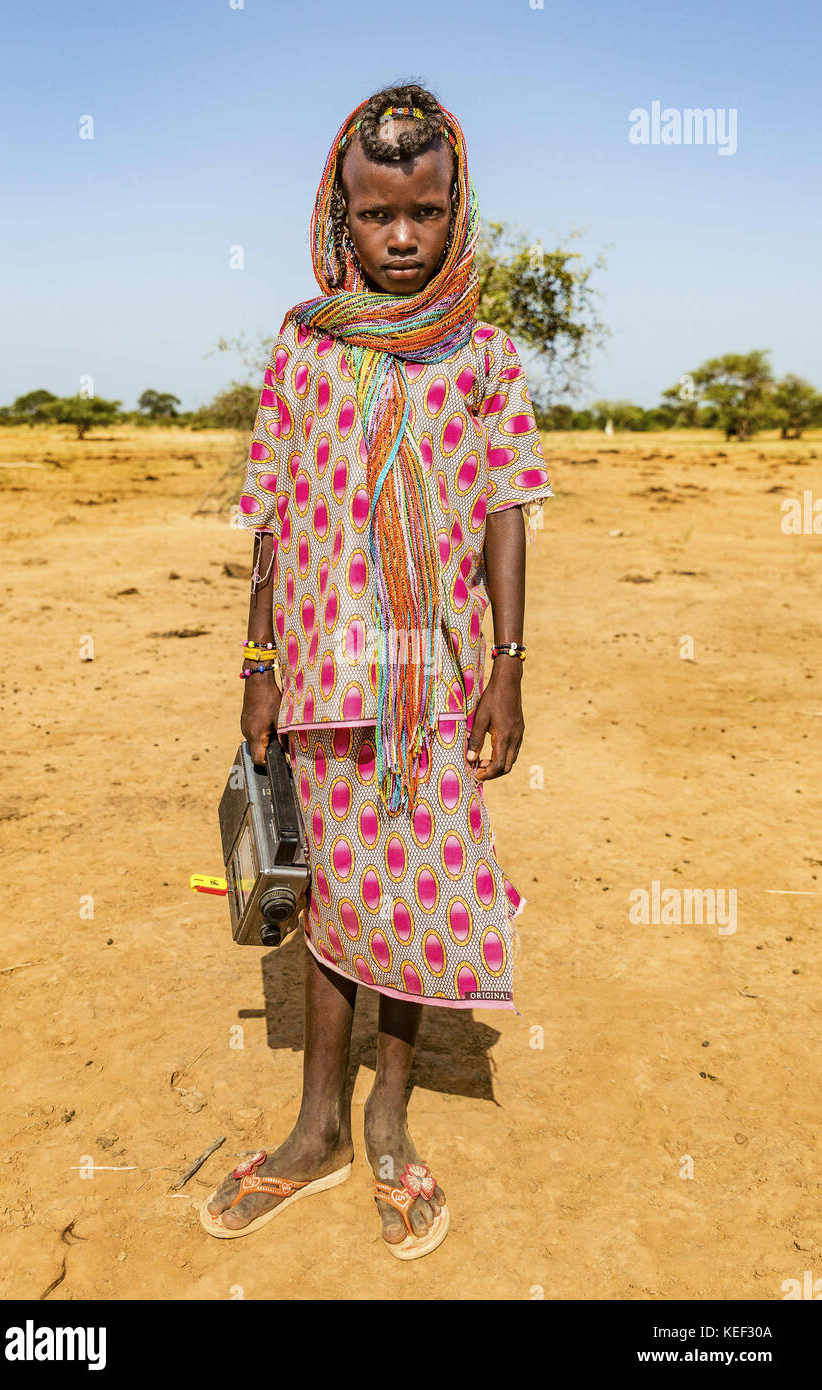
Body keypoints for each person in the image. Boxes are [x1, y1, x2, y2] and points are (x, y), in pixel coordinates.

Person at [201, 83, 552, 1260]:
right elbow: (273, 517)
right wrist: (258, 660)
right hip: (315, 670)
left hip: (428, 685)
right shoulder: (306, 347)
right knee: (329, 895)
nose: (401, 240)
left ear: (458, 210)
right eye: (374, 216)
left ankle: (388, 1115)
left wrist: (506, 666)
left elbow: (505, 508)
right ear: (335, 216)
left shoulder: (488, 356)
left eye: (425, 212)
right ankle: (316, 1127)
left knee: (407, 893)